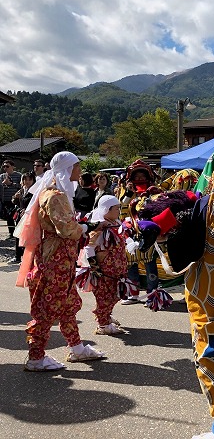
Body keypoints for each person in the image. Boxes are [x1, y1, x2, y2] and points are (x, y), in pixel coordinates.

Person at [16, 151, 106, 372]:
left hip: (61, 257)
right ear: (67, 169)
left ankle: (76, 348)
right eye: (76, 166)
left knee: (66, 305)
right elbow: (66, 229)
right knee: (48, 306)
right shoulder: (55, 196)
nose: (80, 171)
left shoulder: (56, 193)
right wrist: (87, 227)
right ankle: (36, 357)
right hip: (55, 259)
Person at [81, 195, 127, 335]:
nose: (119, 211)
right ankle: (103, 324)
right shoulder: (100, 226)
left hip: (117, 268)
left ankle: (106, 315)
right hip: (105, 269)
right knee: (104, 295)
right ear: (107, 209)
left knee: (115, 293)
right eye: (116, 208)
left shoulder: (115, 222)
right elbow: (89, 248)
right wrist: (95, 268)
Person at [118, 160, 160, 307]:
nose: (140, 179)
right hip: (130, 233)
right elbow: (121, 212)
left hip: (148, 234)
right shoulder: (125, 193)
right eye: (137, 176)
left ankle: (152, 294)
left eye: (143, 176)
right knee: (131, 265)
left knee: (150, 264)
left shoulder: (155, 192)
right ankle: (133, 294)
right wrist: (129, 194)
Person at [9, 171, 36, 263]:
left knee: (27, 237)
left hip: (29, 216)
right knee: (18, 235)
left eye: (29, 179)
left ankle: (26, 257)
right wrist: (16, 198)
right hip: (20, 215)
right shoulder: (22, 189)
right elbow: (14, 201)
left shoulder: (34, 191)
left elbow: (35, 204)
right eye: (25, 179)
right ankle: (17, 256)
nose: (27, 181)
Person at [1, 160, 22, 237]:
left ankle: (18, 231)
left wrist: (11, 184)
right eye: (4, 166)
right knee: (8, 216)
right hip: (6, 199)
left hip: (16, 200)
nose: (5, 168)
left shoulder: (19, 175)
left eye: (7, 166)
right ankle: (11, 232)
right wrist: (3, 184)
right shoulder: (2, 176)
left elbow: (22, 186)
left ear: (12, 167)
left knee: (17, 216)